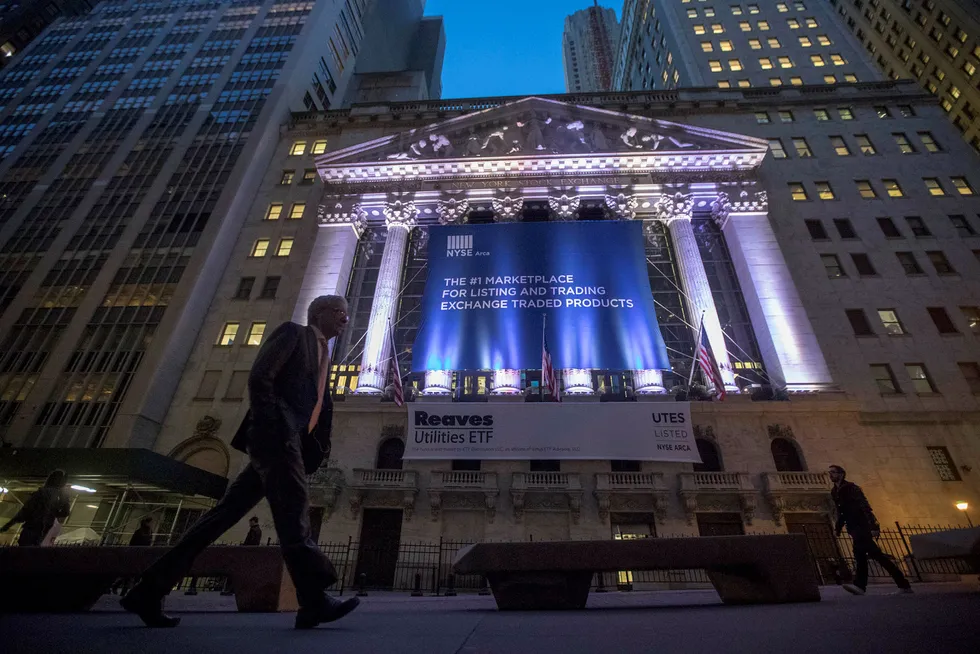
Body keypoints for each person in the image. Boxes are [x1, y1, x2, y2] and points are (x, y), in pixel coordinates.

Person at [122, 295, 359, 629]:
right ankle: (313, 599)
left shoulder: (324, 355)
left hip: (287, 441)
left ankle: (148, 590)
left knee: (222, 516)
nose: (345, 320)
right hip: (275, 437)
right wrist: (269, 424)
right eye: (339, 313)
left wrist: (316, 445)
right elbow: (260, 376)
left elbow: (315, 405)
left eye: (346, 315)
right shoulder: (294, 334)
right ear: (318, 314)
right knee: (294, 511)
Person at [829, 465, 912, 595]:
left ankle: (861, 585)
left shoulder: (851, 488)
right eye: (830, 472)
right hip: (853, 527)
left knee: (862, 554)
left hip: (861, 526)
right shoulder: (834, 491)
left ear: (841, 474)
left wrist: (873, 526)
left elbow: (864, 506)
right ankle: (902, 584)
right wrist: (838, 527)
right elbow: (841, 512)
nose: (830, 474)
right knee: (872, 556)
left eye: (833, 472)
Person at [0, 469, 71, 546]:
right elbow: (64, 513)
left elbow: (24, 512)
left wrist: (8, 525)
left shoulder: (41, 493)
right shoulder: (58, 495)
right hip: (41, 533)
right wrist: (65, 500)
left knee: (25, 553)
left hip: (32, 531)